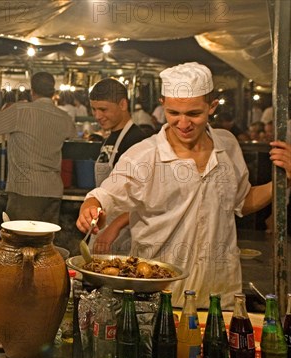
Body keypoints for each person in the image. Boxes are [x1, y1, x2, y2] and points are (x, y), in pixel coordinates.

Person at [76, 62, 291, 310]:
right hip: (160, 297)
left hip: (219, 297)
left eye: (193, 114)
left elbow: (243, 201)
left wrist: (283, 179)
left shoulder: (227, 145)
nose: (183, 123)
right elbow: (103, 195)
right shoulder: (144, 156)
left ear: (212, 107)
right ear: (163, 104)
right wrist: (91, 207)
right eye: (173, 113)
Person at [0, 71, 76, 224]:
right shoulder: (64, 117)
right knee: (45, 244)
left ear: (32, 91)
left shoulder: (21, 111)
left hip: (25, 190)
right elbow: (72, 134)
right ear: (54, 91)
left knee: (19, 242)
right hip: (53, 191)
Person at [89, 78, 151, 254]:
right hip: (105, 225)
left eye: (103, 109)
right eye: (94, 109)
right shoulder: (111, 137)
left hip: (126, 233)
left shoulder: (137, 140)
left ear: (123, 104)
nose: (97, 116)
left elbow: (146, 200)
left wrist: (114, 227)